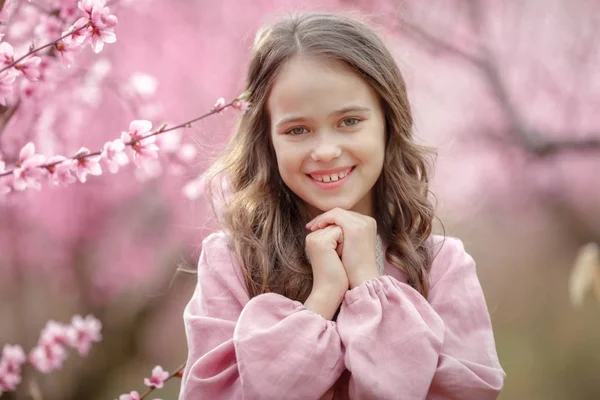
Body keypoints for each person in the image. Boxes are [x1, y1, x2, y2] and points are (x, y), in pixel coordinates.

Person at [179, 12, 505, 400]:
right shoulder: (231, 263)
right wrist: (323, 297)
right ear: (267, 139)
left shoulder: (442, 266)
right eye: (297, 130)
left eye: (349, 121)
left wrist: (371, 284)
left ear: (388, 122)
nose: (326, 151)